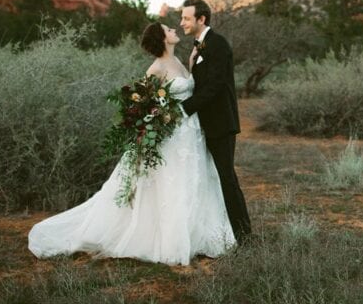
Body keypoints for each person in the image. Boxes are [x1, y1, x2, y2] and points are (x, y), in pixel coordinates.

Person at [27, 22, 235, 265]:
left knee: (193, 179)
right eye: (169, 30)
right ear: (162, 38)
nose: (174, 31)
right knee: (173, 182)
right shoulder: (156, 67)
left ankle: (197, 234)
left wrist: (191, 65)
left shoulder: (178, 61)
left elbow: (189, 88)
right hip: (174, 134)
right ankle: (172, 242)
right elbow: (141, 103)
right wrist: (157, 117)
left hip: (191, 132)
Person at [179, 0, 252, 243]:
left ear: (201, 19)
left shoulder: (218, 44)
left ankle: (244, 236)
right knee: (209, 178)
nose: (182, 23)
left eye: (186, 18)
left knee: (227, 179)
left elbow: (214, 87)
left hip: (220, 124)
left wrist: (182, 109)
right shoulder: (199, 46)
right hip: (204, 125)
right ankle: (216, 232)